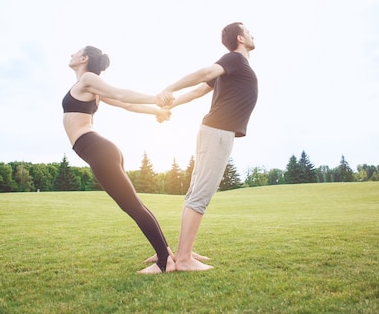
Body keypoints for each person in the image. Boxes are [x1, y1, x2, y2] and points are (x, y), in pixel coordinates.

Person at [62, 45, 176, 274]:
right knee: (134, 204)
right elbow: (127, 104)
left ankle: (164, 262)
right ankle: (165, 251)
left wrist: (156, 99)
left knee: (132, 206)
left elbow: (122, 95)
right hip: (100, 150)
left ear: (84, 58)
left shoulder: (88, 79)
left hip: (98, 150)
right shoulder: (87, 85)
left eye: (75, 52)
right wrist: (156, 111)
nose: (71, 54)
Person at [157, 22, 258, 271]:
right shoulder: (234, 59)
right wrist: (169, 88)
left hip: (214, 131)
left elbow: (199, 91)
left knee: (195, 192)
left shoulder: (232, 68)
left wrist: (171, 105)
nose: (253, 33)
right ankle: (183, 259)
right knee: (201, 193)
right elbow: (203, 74)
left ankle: (184, 251)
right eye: (249, 31)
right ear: (240, 38)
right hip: (218, 132)